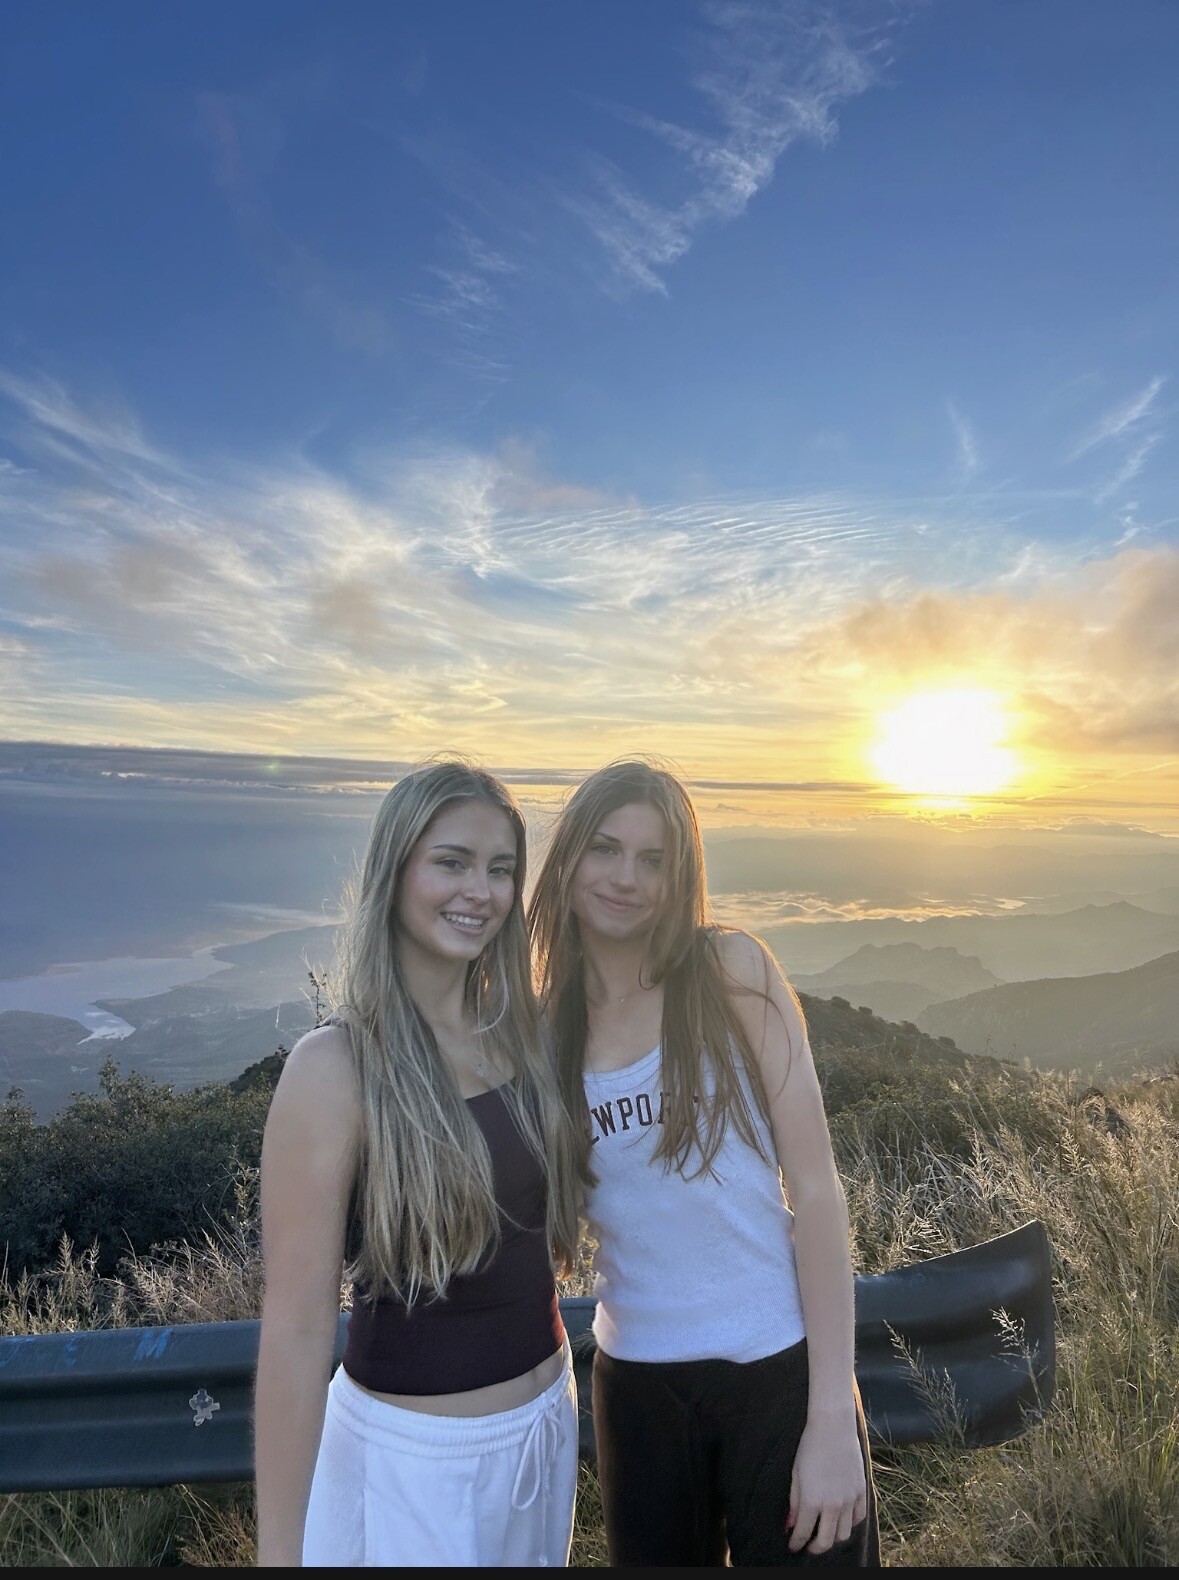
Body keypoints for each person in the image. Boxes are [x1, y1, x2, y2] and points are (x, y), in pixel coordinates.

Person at [529, 759, 880, 1568]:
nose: (626, 877)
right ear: (568, 857)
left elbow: (816, 1191)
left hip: (778, 1373)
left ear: (679, 875)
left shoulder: (730, 973)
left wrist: (832, 1416)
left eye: (652, 859)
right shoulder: (543, 1034)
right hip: (639, 1392)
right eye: (605, 848)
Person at [255, 761, 583, 1568]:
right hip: (414, 1466)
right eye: (451, 862)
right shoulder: (335, 1068)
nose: (481, 891)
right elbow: (295, 1330)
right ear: (395, 871)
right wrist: (279, 1553)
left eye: (499, 869)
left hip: (545, 1430)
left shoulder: (519, 1036)